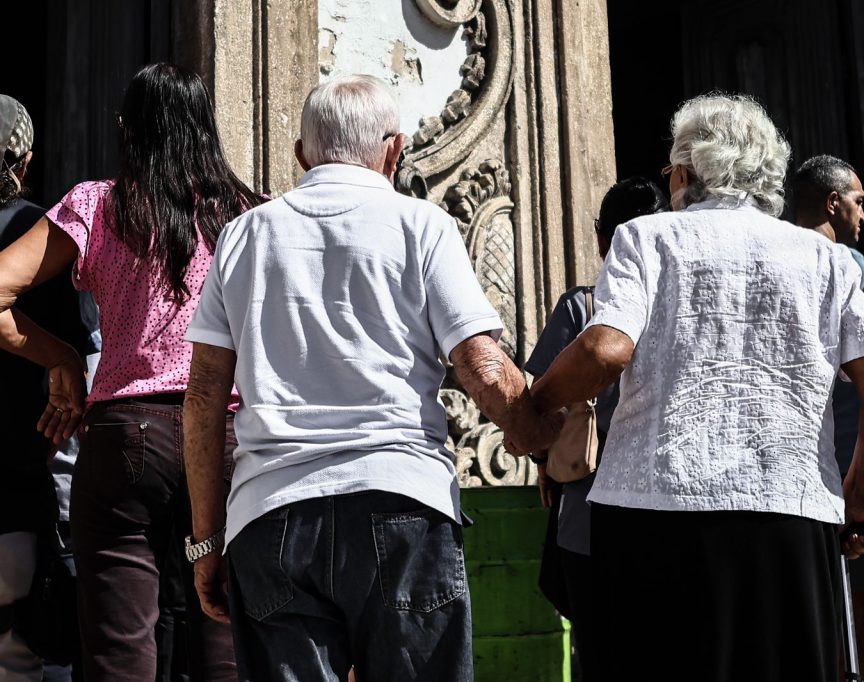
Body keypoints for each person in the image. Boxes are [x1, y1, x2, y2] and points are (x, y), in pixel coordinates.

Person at [509, 93, 864, 681]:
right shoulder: (825, 259)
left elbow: (604, 349)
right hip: (791, 516)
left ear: (684, 172)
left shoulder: (646, 238)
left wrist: (534, 407)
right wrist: (861, 497)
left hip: (654, 514)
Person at [182, 74, 558, 682]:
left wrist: (206, 542)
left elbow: (202, 396)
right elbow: (481, 365)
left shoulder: (243, 235)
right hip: (400, 501)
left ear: (301, 154)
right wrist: (539, 437)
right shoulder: (422, 224)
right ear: (394, 149)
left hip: (270, 515)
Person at [0, 63, 263, 681]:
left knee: (119, 651)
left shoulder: (98, 204)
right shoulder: (252, 216)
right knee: (225, 639)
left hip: (126, 436)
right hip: (229, 437)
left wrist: (61, 357)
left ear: (129, 131)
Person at [528, 176, 668, 679]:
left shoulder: (581, 308)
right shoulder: (682, 312)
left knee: (599, 652)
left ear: (603, 240)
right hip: (669, 513)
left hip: (588, 512)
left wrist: (544, 462)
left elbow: (541, 406)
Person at [0, 95, 89, 682]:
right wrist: (63, 359)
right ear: (25, 160)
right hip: (15, 479)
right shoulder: (39, 234)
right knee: (17, 655)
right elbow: (75, 346)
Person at [794, 154, 864, 682]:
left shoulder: (772, 252)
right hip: (851, 449)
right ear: (833, 203)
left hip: (795, 465)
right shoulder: (847, 264)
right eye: (858, 201)